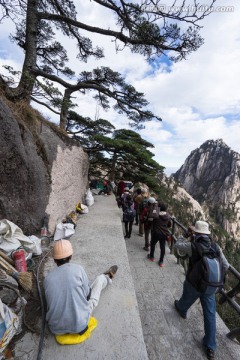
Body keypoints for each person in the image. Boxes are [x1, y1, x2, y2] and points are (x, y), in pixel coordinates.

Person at [174, 221, 229, 360]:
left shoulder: (193, 245)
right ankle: (210, 347)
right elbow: (226, 265)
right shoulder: (215, 246)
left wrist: (185, 235)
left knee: (185, 301)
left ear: (196, 233)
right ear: (208, 234)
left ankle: (182, 309)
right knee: (210, 316)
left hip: (194, 284)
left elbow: (177, 245)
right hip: (210, 287)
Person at [44, 239, 118, 335]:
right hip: (80, 325)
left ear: (54, 259)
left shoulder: (48, 279)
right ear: (71, 256)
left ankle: (106, 276)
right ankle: (107, 277)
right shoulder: (78, 269)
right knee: (98, 283)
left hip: (56, 328)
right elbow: (87, 295)